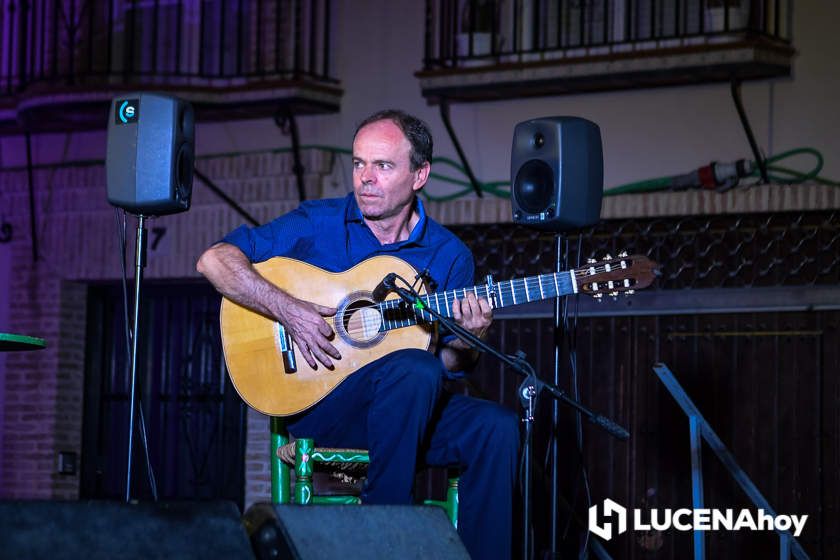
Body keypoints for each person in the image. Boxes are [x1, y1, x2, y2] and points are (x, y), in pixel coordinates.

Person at [197, 109, 519, 559]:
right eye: (358, 163)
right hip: (324, 405)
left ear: (420, 174)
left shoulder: (448, 255)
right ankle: (383, 536)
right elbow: (214, 260)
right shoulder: (317, 223)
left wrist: (467, 339)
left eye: (383, 166)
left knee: (496, 426)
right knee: (414, 367)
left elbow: (448, 368)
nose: (365, 178)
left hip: (407, 411)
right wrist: (288, 310)